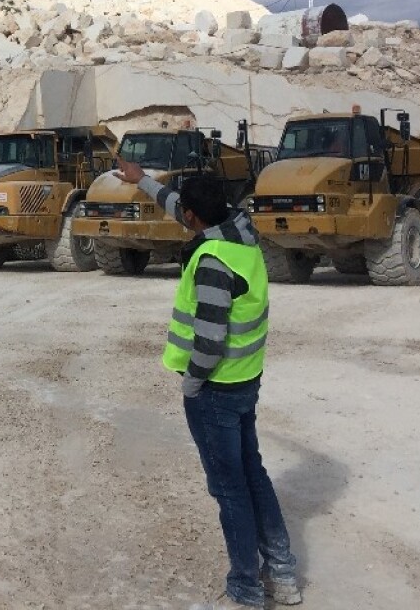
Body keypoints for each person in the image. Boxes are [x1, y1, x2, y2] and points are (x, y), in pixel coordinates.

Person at [114, 159, 301, 609]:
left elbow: (210, 338)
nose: (184, 219)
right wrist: (143, 183)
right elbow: (185, 207)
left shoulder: (212, 261)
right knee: (252, 472)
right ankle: (283, 573)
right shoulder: (241, 232)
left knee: (229, 488)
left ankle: (247, 588)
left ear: (196, 220)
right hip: (247, 380)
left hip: (215, 389)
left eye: (187, 216)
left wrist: (191, 384)